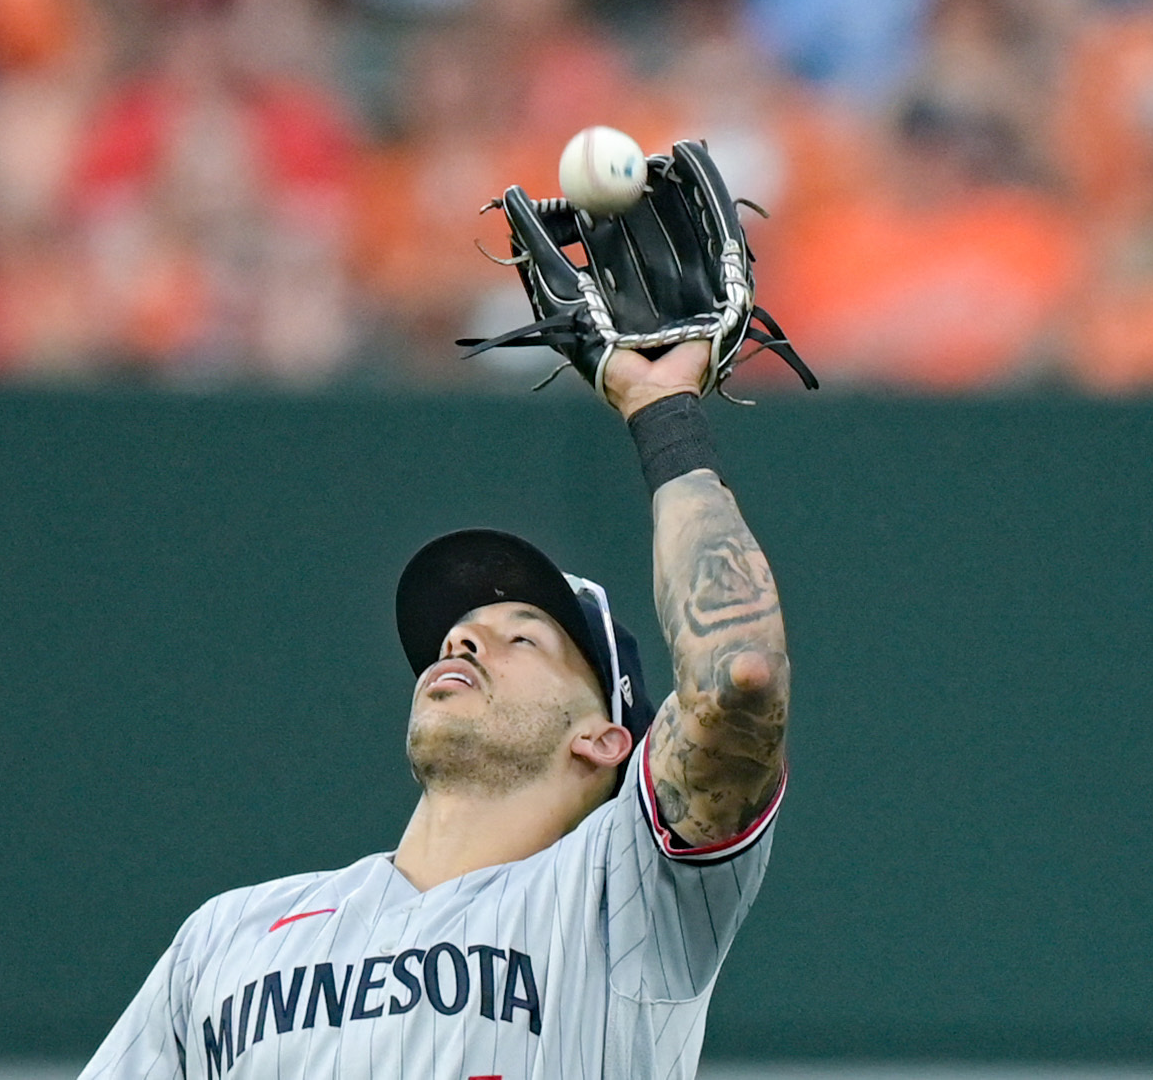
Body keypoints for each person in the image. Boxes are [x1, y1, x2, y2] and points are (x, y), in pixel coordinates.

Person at [79, 343, 787, 1080]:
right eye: (457, 633)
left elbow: (738, 676)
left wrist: (665, 415)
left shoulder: (624, 897)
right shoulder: (227, 936)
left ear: (605, 738)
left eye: (522, 635)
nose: (463, 636)